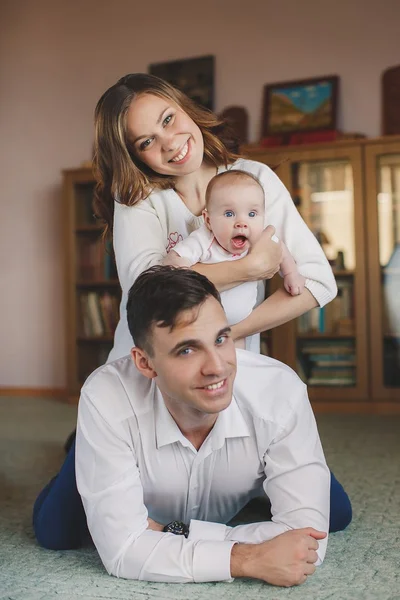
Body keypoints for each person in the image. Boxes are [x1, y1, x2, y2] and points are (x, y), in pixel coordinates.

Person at [32, 73, 352, 550]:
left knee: (336, 514)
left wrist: (227, 335)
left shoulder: (256, 180)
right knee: (57, 532)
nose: (171, 143)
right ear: (134, 154)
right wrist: (250, 266)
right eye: (147, 140)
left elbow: (318, 282)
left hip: (225, 374)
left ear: (185, 108)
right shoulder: (138, 196)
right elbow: (145, 286)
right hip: (150, 378)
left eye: (169, 120)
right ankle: (90, 442)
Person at [76, 265, 329, 586]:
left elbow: (307, 543)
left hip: (252, 465)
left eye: (221, 338)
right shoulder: (106, 397)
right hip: (119, 445)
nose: (217, 367)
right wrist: (246, 558)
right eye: (187, 349)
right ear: (145, 362)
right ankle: (80, 445)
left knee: (337, 513)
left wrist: (175, 532)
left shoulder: (279, 393)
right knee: (55, 530)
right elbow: (123, 550)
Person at [163, 169, 305, 348]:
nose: (242, 222)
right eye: (229, 214)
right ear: (208, 220)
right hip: (200, 324)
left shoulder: (260, 239)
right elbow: (174, 259)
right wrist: (180, 268)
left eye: (252, 214)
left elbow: (280, 249)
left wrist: (291, 273)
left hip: (240, 327)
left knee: (238, 365)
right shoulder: (204, 239)